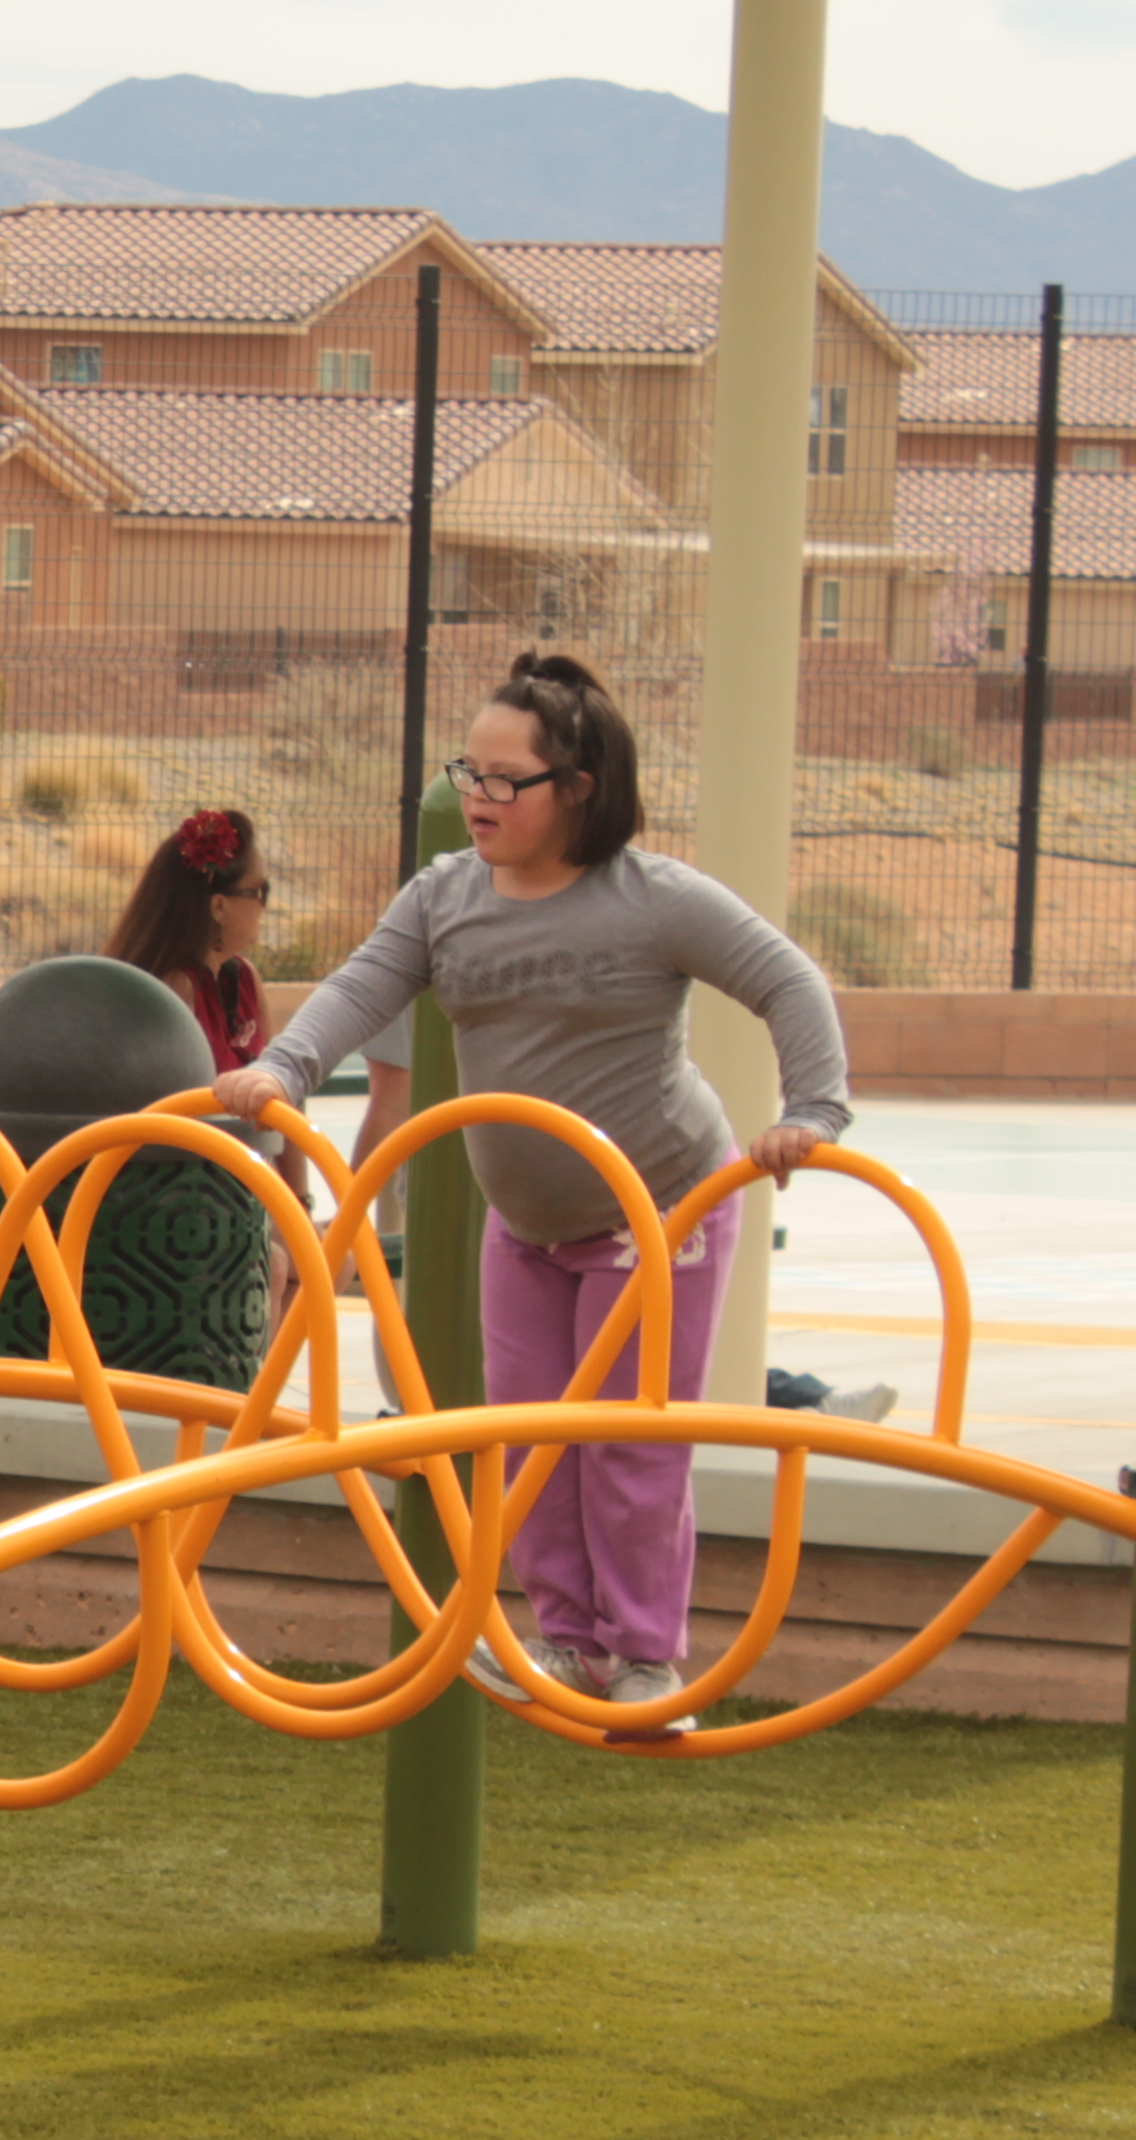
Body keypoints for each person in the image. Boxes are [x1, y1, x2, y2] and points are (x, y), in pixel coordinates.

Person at [217, 652, 855, 1728]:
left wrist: (813, 1112)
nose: (480, 797)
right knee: (527, 1441)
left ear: (580, 790)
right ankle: (566, 1642)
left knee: (630, 1442)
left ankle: (647, 1660)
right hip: (526, 1226)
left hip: (658, 1215)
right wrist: (282, 1068)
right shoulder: (447, 897)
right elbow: (364, 982)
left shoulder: (651, 901)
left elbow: (788, 980)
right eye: (472, 771)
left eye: (509, 780)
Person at [108, 805, 275, 1077]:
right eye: (261, 891)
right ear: (219, 907)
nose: (264, 905)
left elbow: (277, 1080)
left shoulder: (245, 978)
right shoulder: (176, 990)